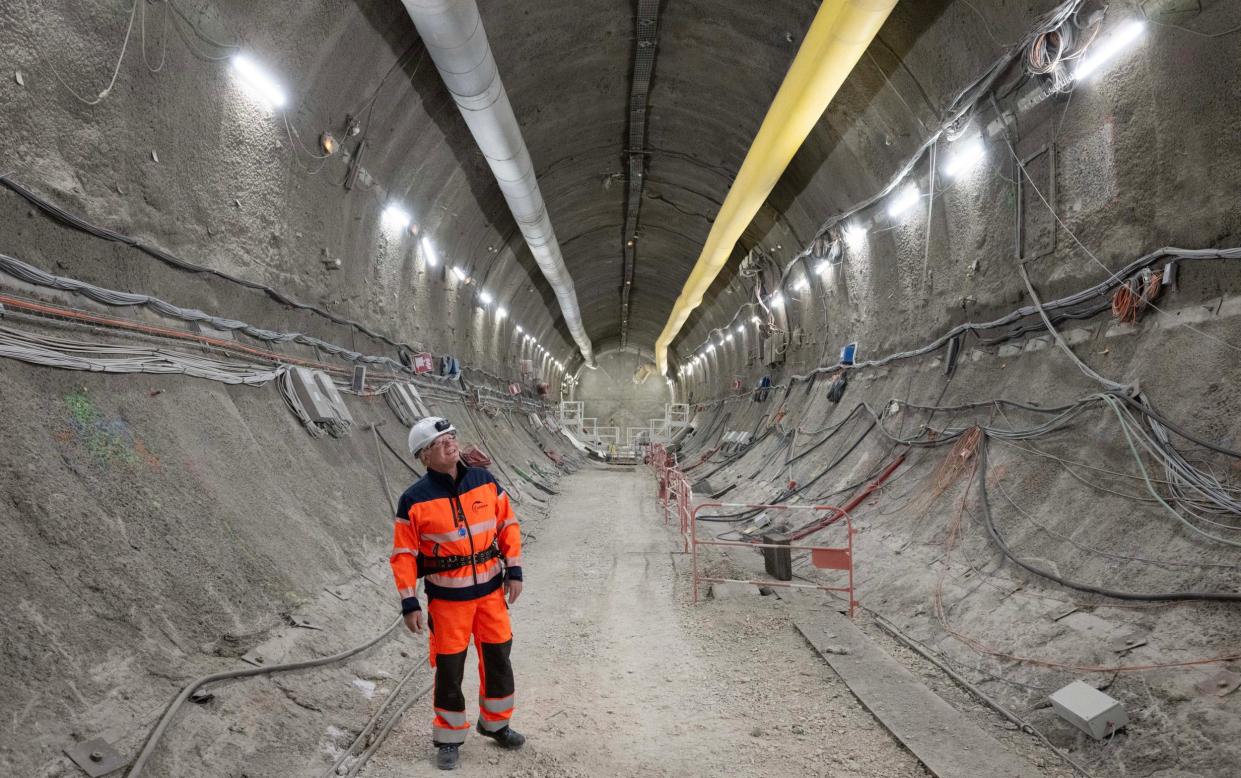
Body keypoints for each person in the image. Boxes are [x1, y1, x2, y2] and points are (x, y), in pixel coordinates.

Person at [390, 416, 526, 770]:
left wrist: (514, 570)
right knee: (449, 669)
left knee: (498, 658)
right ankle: (449, 737)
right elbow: (404, 555)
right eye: (439, 443)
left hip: (491, 597)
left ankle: (496, 724)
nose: (450, 443)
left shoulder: (484, 481)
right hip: (448, 603)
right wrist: (409, 602)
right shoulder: (414, 500)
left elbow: (507, 525)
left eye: (451, 436)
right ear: (424, 456)